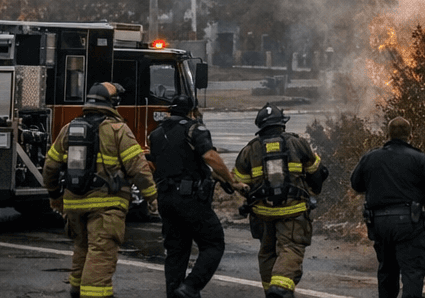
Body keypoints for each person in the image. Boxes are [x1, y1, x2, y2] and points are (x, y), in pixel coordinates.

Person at [43, 81, 159, 298]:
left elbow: (50, 166)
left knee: (82, 248)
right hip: (107, 206)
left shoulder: (69, 129)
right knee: (101, 253)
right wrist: (152, 196)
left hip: (74, 203)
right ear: (112, 104)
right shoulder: (118, 130)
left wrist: (54, 195)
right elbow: (138, 168)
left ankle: (76, 290)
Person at [350, 117, 425, 298]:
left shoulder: (370, 158)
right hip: (408, 225)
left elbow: (355, 187)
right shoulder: (419, 159)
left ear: (387, 135)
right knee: (412, 271)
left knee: (387, 272)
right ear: (410, 136)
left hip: (379, 225)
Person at [233, 104, 328, 298]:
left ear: (260, 126)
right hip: (293, 211)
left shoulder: (249, 150)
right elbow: (317, 172)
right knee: (291, 247)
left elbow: (239, 184)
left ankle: (271, 291)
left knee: (267, 252)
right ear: (282, 124)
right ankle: (280, 288)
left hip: (262, 213)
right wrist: (313, 193)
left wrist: (253, 201)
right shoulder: (297, 143)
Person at [148, 95, 238, 298]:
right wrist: (231, 181)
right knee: (213, 243)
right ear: (191, 111)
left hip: (166, 199)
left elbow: (153, 164)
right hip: (190, 200)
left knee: (176, 251)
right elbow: (210, 156)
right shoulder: (194, 129)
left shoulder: (155, 134)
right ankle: (190, 287)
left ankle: (175, 293)